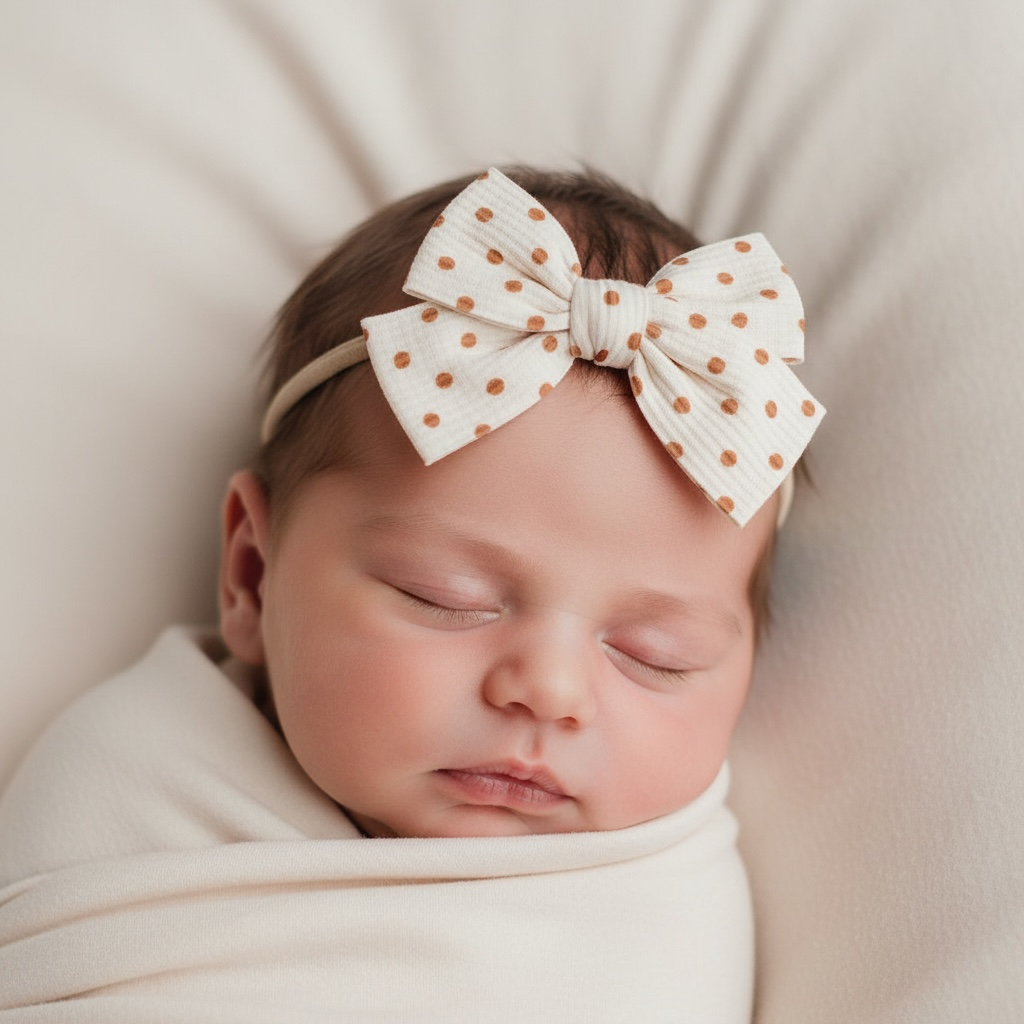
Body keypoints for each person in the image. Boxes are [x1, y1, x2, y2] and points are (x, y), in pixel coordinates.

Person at [0, 166, 823, 1020]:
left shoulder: (660, 911)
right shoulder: (133, 783)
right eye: (444, 596)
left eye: (656, 655)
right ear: (252, 572)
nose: (548, 690)